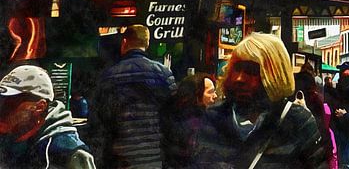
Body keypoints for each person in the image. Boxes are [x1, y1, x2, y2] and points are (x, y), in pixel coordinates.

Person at [191, 32, 327, 168]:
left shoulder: (298, 121)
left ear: (274, 76)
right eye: (237, 69)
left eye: (251, 71)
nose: (239, 78)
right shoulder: (214, 117)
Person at [87, 24, 177, 168]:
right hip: (154, 158)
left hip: (120, 159)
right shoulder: (163, 73)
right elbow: (173, 116)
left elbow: (98, 119)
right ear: (147, 44)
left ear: (124, 43)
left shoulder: (109, 76)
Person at [0, 64, 96, 168]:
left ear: (40, 107)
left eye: (10, 105)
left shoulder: (70, 153)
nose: (2, 110)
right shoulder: (9, 139)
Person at [161, 73, 217, 168]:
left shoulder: (172, 117)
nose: (215, 96)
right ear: (196, 95)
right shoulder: (193, 123)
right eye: (210, 92)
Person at [295, 64, 337, 169]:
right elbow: (322, 126)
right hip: (315, 148)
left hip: (296, 150)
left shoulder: (290, 101)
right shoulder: (316, 99)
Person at [329, 62, 349, 169]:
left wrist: (346, 115)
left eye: (343, 70)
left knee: (347, 159)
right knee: (342, 158)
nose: (341, 73)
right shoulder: (342, 86)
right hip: (339, 127)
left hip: (347, 127)